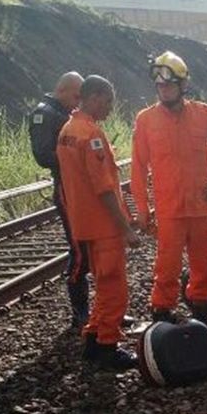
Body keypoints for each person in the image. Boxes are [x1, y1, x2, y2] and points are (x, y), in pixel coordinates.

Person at [130, 51, 207, 325]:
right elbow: (138, 168)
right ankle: (161, 314)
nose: (164, 90)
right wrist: (142, 209)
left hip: (201, 207)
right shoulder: (145, 120)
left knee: (204, 267)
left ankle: (201, 315)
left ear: (183, 85)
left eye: (170, 85)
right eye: (160, 85)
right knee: (167, 268)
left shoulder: (206, 114)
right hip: (169, 210)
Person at [56, 75, 140, 369]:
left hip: (84, 223)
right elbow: (104, 189)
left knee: (104, 286)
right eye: (108, 101)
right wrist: (125, 228)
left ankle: (92, 339)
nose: (109, 108)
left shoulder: (67, 129)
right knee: (114, 287)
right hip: (104, 226)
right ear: (94, 97)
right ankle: (107, 347)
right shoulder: (91, 135)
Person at [29, 71, 90, 328]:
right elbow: (43, 155)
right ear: (62, 89)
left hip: (78, 187)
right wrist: (75, 157)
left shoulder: (63, 113)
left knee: (87, 248)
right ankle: (80, 312)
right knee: (79, 252)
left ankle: (89, 310)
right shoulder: (44, 114)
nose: (78, 101)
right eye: (76, 95)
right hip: (66, 187)